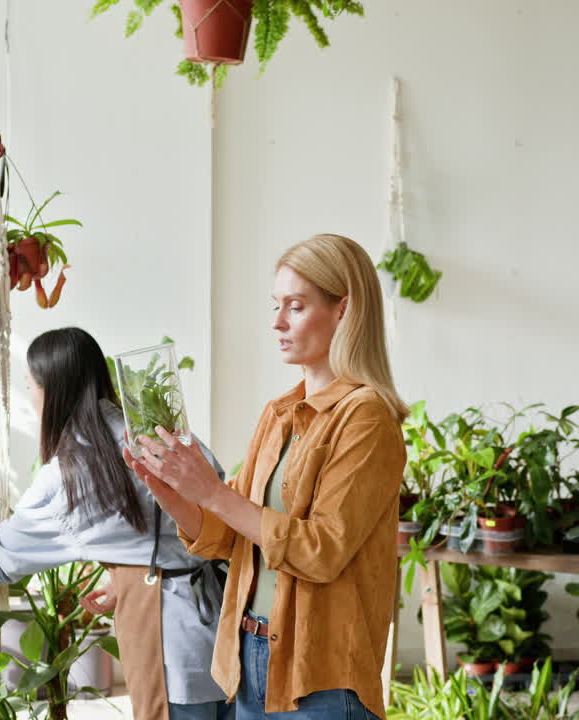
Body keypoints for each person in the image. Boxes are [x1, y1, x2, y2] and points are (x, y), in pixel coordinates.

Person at [124, 234, 408, 719]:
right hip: (249, 656)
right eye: (277, 305)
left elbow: (322, 551)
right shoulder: (279, 414)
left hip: (321, 675)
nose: (277, 322)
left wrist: (211, 490)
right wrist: (171, 491)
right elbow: (228, 538)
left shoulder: (367, 417)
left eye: (296, 306)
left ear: (344, 310)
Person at [0, 327, 233, 720]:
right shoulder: (160, 431)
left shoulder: (74, 470)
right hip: (224, 624)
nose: (30, 397)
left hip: (168, 641)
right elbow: (199, 521)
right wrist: (125, 581)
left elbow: (0, 556)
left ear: (51, 390)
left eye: (30, 386)